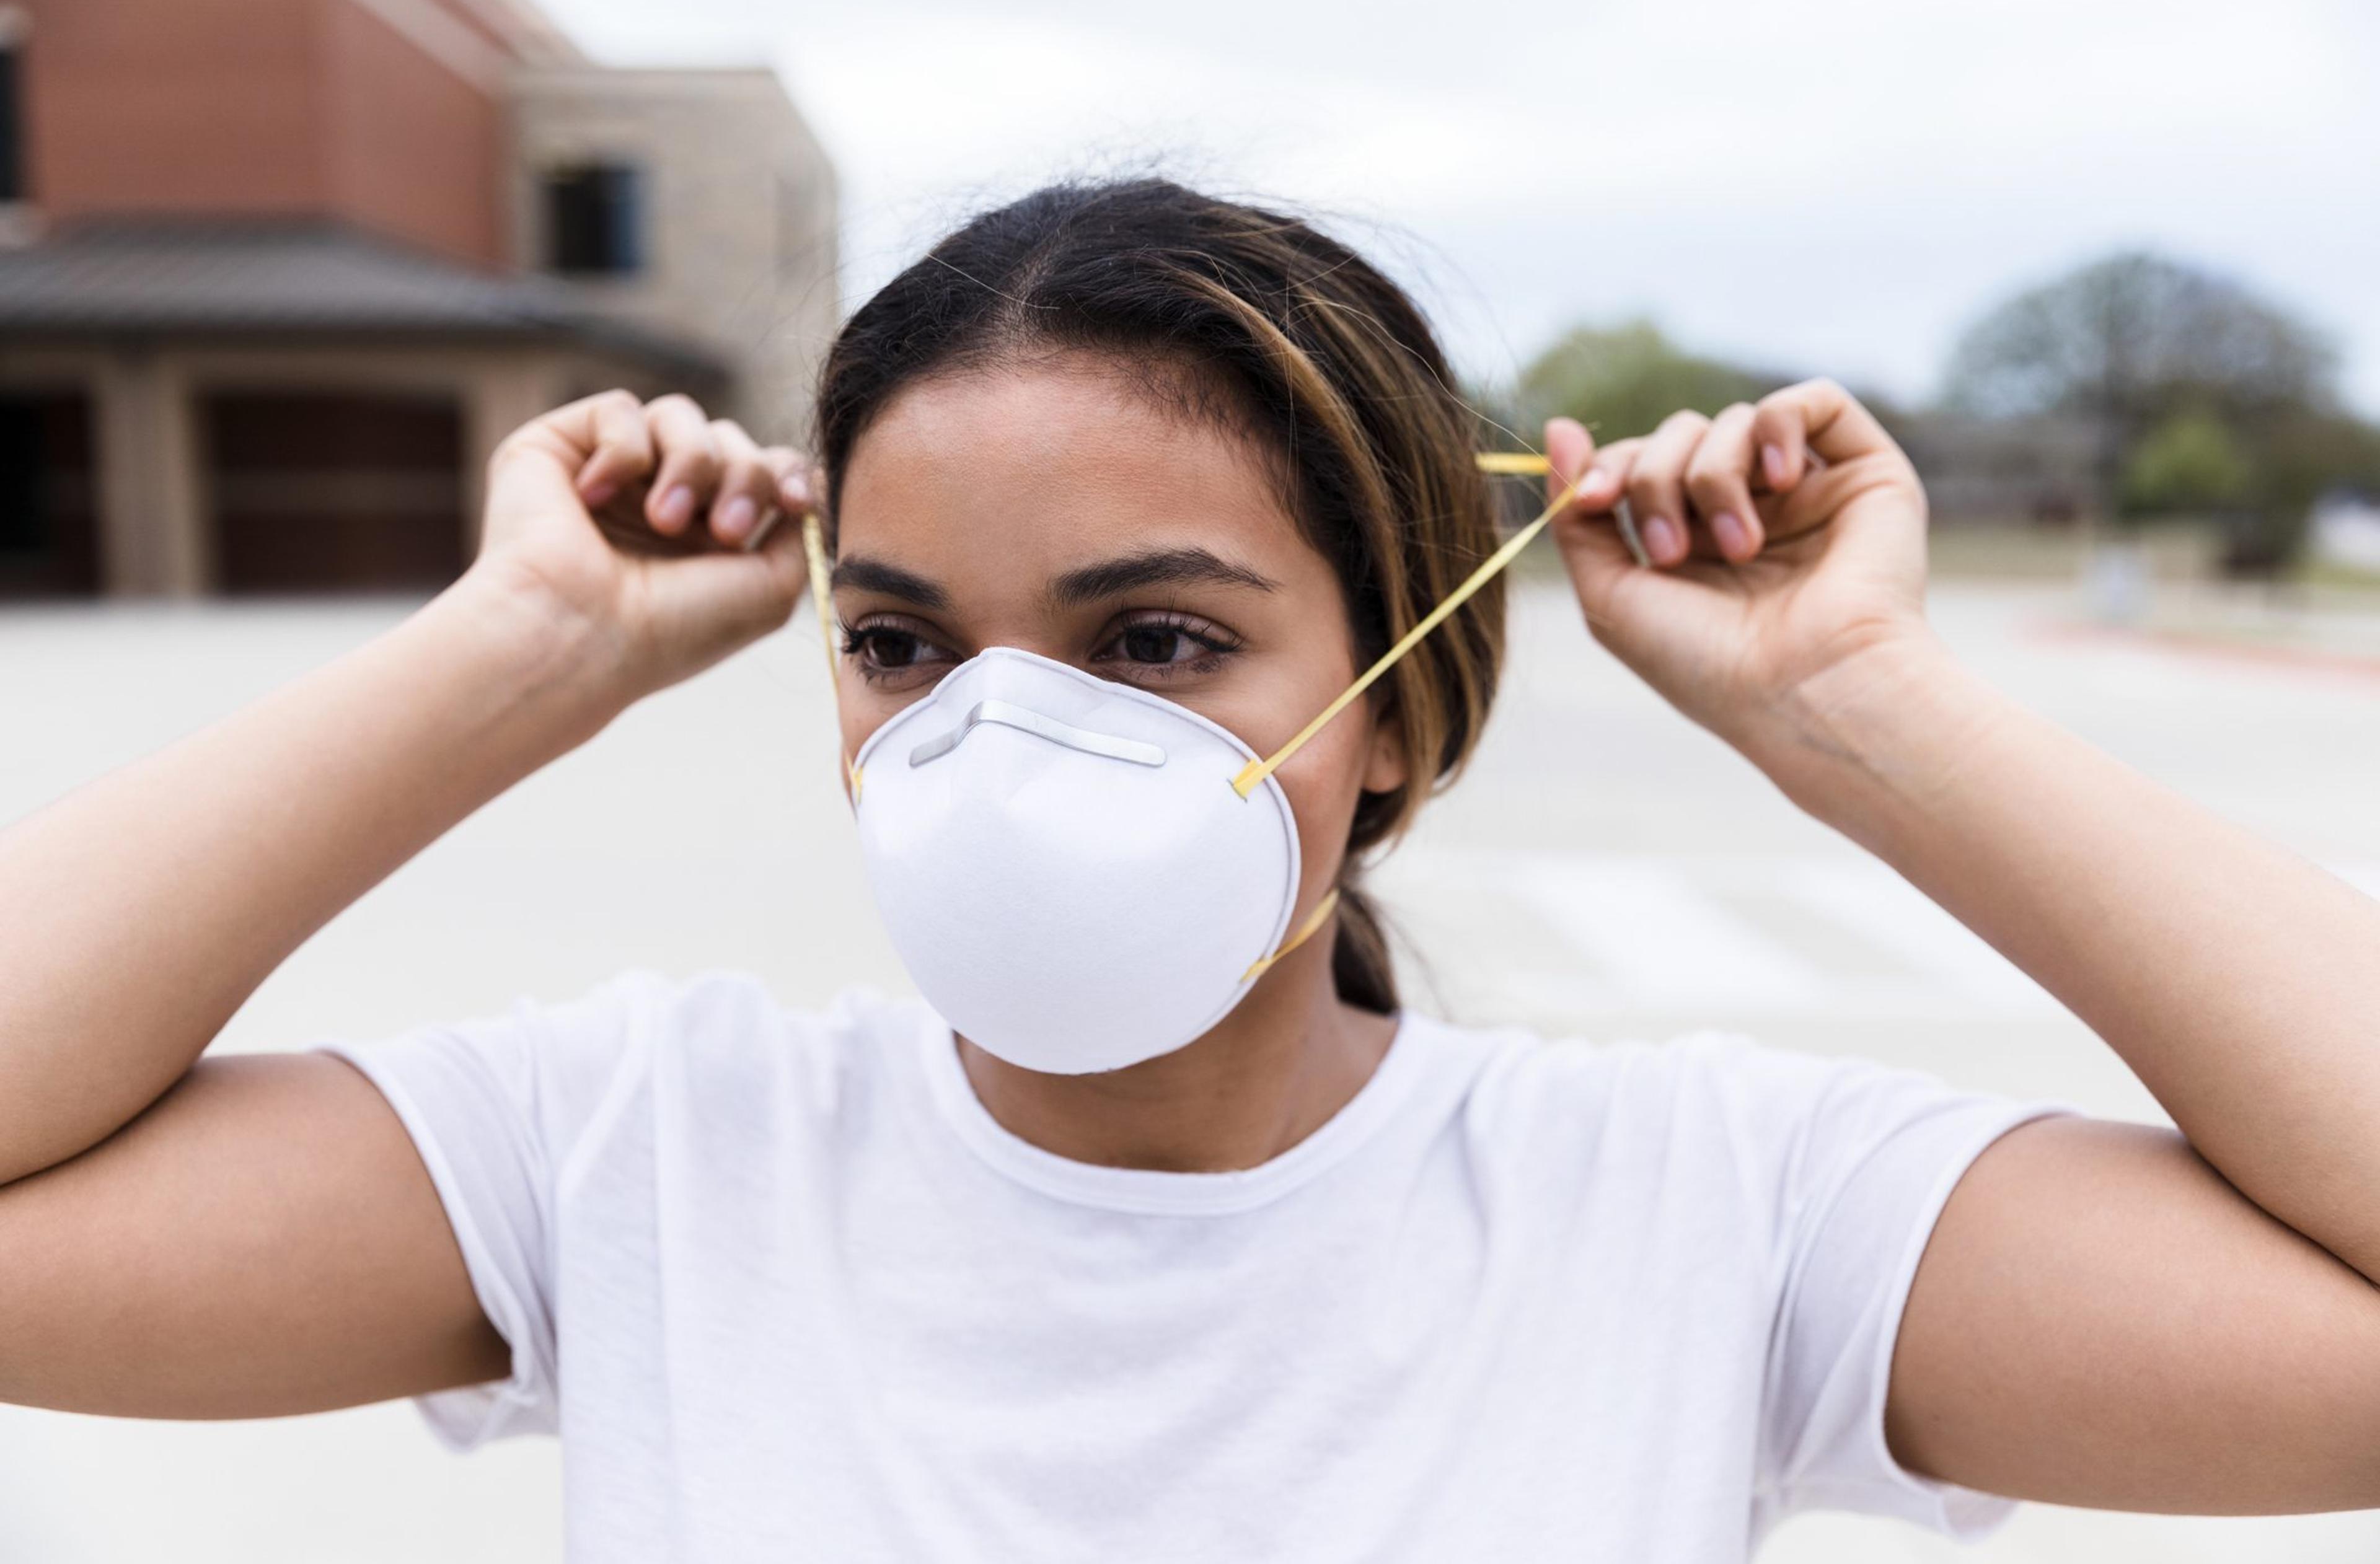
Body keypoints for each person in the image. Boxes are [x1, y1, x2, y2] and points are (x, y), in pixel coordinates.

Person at [2, 178, 2376, 1561]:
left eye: (1159, 639)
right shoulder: (629, 1155)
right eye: (902, 641)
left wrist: (1862, 713)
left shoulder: (1714, 1208)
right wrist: (514, 651)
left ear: (1402, 703)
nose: (1001, 736)